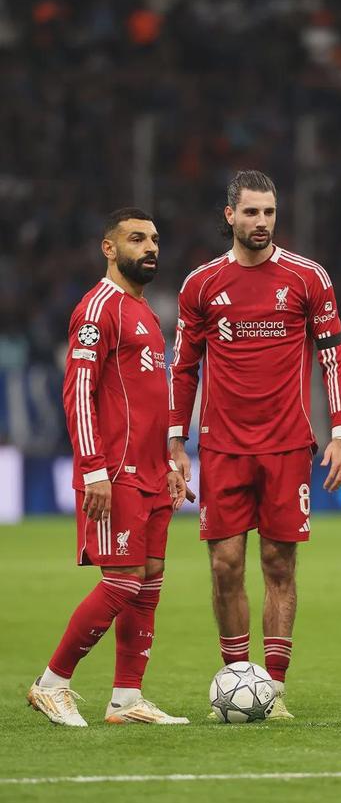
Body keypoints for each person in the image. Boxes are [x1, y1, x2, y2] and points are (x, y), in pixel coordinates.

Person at [169, 170, 341, 719]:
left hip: (287, 445)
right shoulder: (201, 285)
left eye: (269, 212)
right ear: (230, 215)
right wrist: (176, 440)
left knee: (278, 563)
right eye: (251, 212)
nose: (261, 221)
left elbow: (333, 356)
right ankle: (236, 678)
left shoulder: (307, 278)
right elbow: (183, 367)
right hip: (222, 447)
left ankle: (272, 691)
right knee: (225, 565)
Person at [28, 209, 191, 726]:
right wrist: (93, 469)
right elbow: (77, 390)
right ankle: (51, 684)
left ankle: (126, 698)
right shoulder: (98, 308)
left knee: (148, 585)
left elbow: (151, 397)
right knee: (122, 583)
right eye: (136, 239)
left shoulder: (145, 312)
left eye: (155, 239)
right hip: (115, 472)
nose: (150, 248)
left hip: (152, 472)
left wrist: (170, 459)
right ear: (109, 248)